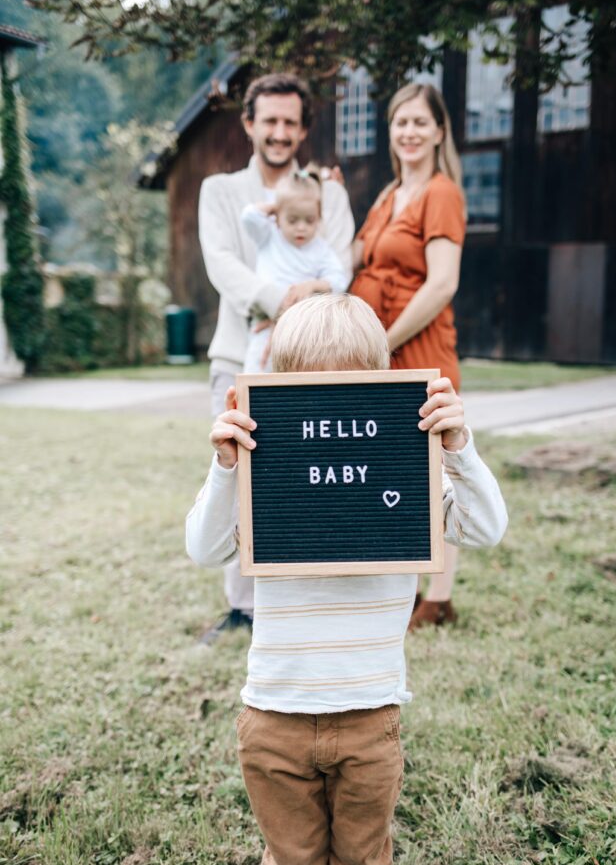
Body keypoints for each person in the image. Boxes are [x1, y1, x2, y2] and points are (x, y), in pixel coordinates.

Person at [186, 294, 507, 865]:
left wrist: (458, 450)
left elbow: (484, 529)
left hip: (369, 714)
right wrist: (223, 470)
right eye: (306, 392)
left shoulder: (407, 466)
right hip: (275, 710)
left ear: (380, 381)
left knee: (362, 858)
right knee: (293, 857)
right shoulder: (263, 464)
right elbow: (204, 548)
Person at [198, 73, 355, 633]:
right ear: (249, 123)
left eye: (291, 122)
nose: (280, 132)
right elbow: (222, 264)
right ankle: (242, 609)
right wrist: (282, 296)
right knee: (241, 476)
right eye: (270, 120)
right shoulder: (220, 192)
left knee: (303, 478)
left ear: (304, 128)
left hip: (313, 359)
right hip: (239, 353)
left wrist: (301, 305)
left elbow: (340, 268)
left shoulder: (328, 194)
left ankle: (303, 602)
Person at [350, 82, 467, 630]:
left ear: (439, 130)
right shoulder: (384, 196)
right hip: (379, 348)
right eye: (401, 122)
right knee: (394, 466)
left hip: (416, 345)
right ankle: (406, 587)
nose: (410, 132)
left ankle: (440, 599)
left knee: (435, 466)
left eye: (421, 122)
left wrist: (387, 339)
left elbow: (442, 283)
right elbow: (350, 258)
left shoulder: (441, 193)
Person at [242, 166, 350, 373]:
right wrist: (278, 205)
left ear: (318, 217)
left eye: (309, 220)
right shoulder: (269, 236)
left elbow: (339, 280)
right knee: (259, 366)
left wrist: (313, 285)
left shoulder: (320, 248)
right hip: (266, 319)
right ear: (277, 217)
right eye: (292, 220)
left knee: (297, 372)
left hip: (303, 326)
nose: (301, 227)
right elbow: (249, 216)